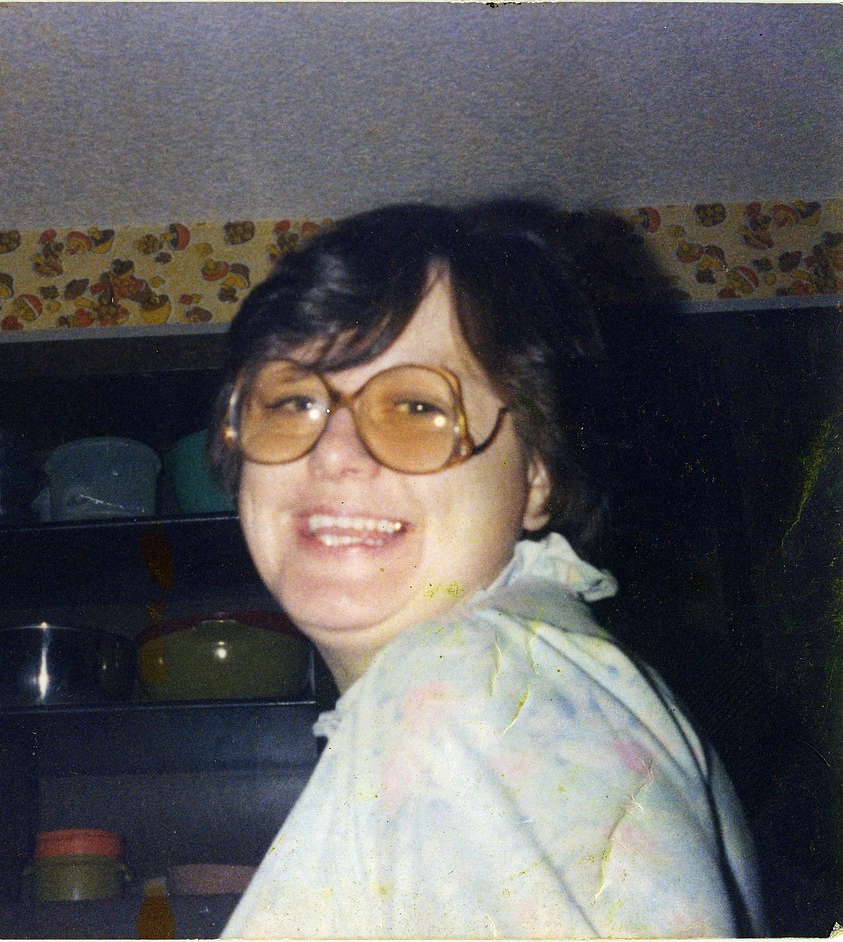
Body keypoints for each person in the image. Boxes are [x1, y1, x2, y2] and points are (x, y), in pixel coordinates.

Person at [206, 202, 765, 938]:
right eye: (291, 402)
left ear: (536, 475)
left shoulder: (470, 685)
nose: (334, 453)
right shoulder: (508, 684)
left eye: (415, 406)